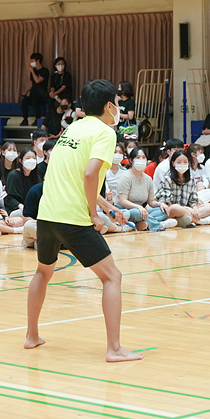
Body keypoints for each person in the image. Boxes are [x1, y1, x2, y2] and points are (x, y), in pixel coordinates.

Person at [26, 79, 141, 362]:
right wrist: (93, 213)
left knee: (43, 272)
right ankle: (114, 349)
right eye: (117, 101)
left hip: (47, 214)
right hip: (73, 217)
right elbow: (90, 174)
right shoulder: (104, 132)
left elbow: (73, 175)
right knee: (112, 276)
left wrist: (106, 204)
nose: (119, 107)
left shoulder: (72, 129)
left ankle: (31, 336)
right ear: (109, 106)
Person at [155, 149, 210, 227]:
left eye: (185, 162)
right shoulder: (167, 179)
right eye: (179, 162)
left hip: (186, 209)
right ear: (173, 164)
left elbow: (193, 199)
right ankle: (198, 220)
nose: (182, 164)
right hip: (172, 209)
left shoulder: (191, 179)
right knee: (176, 208)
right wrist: (187, 208)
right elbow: (167, 203)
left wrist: (194, 208)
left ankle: (187, 218)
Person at [114, 148, 168, 231]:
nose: (141, 160)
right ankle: (157, 225)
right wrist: (139, 207)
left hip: (142, 211)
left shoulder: (148, 179)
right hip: (125, 210)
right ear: (131, 160)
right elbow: (123, 201)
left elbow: (151, 202)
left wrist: (160, 204)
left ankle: (140, 223)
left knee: (164, 211)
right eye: (138, 157)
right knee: (137, 213)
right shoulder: (125, 177)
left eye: (143, 157)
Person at [20, 53, 50, 127]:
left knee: (35, 98)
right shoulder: (34, 71)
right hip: (33, 94)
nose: (31, 63)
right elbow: (32, 83)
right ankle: (25, 119)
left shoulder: (44, 71)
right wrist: (26, 91)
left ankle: (38, 119)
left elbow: (37, 81)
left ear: (37, 61)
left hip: (42, 96)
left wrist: (32, 71)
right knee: (25, 101)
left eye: (32, 60)